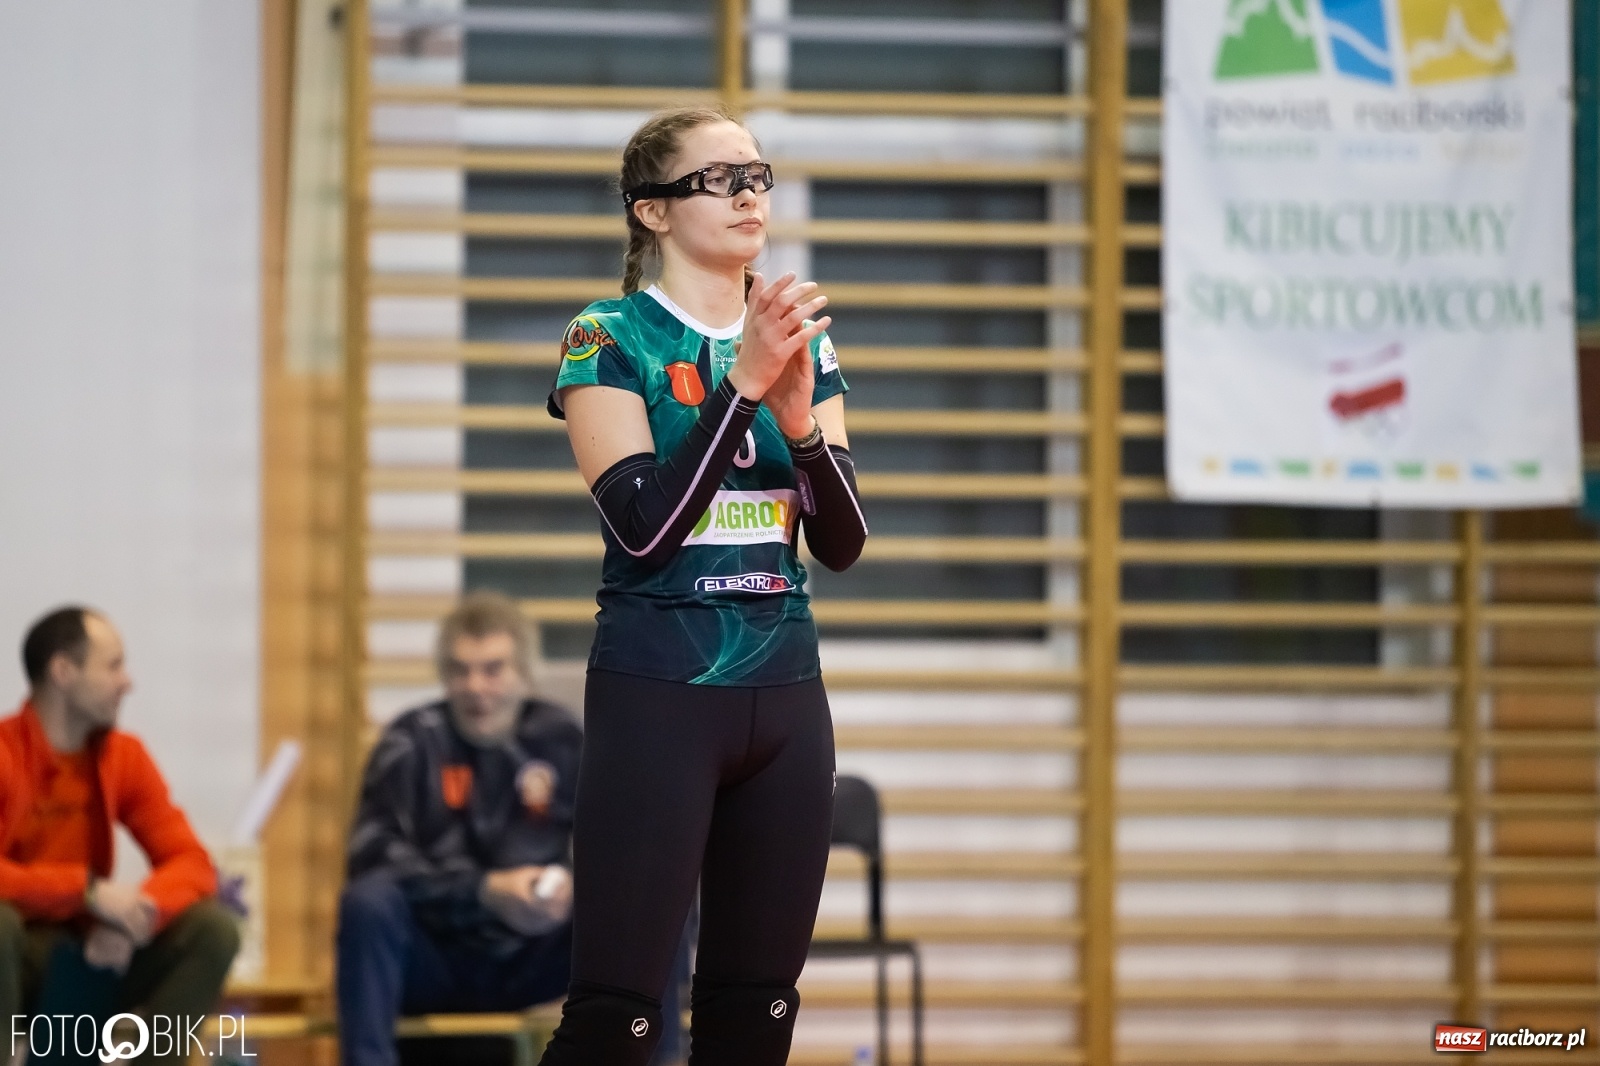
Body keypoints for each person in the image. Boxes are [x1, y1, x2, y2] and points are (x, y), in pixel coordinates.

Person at [537, 105, 867, 1066]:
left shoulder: (796, 332)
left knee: (756, 1014)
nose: (749, 195)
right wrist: (745, 386)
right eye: (719, 178)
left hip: (787, 699)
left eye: (758, 175)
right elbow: (645, 528)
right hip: (660, 695)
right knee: (615, 1020)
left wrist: (801, 425)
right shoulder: (608, 336)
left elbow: (841, 543)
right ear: (652, 209)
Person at [337, 592, 582, 1066]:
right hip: (436, 956)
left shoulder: (563, 739)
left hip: (534, 953)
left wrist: (569, 888)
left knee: (649, 897)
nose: (475, 687)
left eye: (493, 669)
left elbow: (615, 846)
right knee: (367, 904)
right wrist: (483, 891)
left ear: (525, 674)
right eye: (459, 670)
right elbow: (370, 856)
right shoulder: (410, 741)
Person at [0, 606, 239, 1062]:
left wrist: (137, 916)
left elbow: (192, 863)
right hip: (21, 955)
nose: (128, 681)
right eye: (113, 666)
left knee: (214, 930)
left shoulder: (124, 757)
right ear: (63, 672)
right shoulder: (5, 752)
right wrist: (87, 892)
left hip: (96, 950)